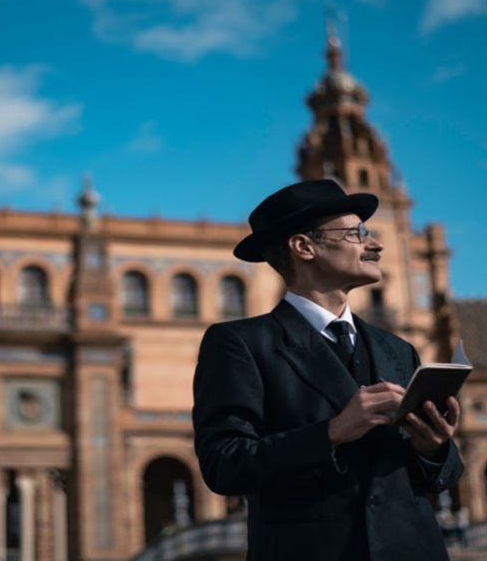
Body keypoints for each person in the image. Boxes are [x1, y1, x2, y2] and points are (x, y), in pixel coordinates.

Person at [192, 179, 464, 561]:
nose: (376, 244)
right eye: (357, 233)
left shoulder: (398, 350)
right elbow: (223, 464)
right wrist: (332, 433)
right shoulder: (240, 344)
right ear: (304, 246)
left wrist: (433, 446)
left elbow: (441, 478)